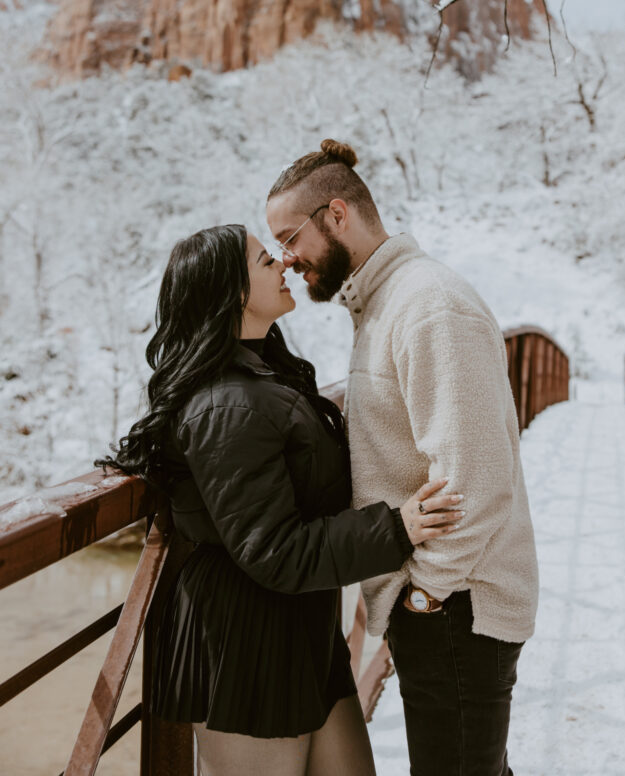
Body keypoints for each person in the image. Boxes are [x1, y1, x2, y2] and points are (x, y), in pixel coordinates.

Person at [96, 223, 463, 776]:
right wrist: (396, 528)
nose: (285, 264)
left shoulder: (262, 377)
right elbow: (273, 550)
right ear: (230, 293)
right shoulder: (227, 407)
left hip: (301, 630)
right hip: (247, 647)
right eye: (266, 261)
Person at [266, 140, 539, 776]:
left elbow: (477, 476)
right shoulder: (386, 302)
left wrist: (422, 598)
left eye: (289, 236)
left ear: (336, 214)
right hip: (444, 609)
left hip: (456, 609)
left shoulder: (427, 305)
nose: (285, 258)